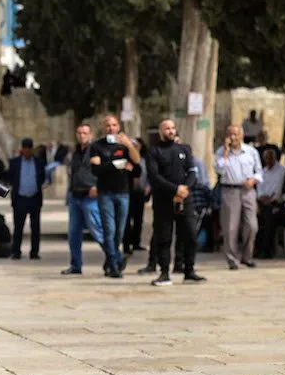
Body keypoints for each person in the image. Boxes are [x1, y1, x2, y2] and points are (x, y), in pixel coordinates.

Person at [146, 119, 202, 285]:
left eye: (172, 128)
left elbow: (192, 172)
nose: (170, 131)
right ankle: (164, 272)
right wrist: (174, 190)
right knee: (164, 237)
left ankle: (189, 270)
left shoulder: (184, 149)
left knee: (191, 235)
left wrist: (184, 190)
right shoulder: (154, 151)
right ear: (161, 131)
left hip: (185, 199)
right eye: (167, 129)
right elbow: (154, 176)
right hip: (164, 201)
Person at [89, 115, 141, 277]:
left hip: (123, 193)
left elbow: (137, 162)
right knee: (109, 230)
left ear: (118, 126)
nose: (111, 128)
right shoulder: (97, 146)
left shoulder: (124, 145)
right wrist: (115, 165)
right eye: (107, 125)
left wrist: (128, 145)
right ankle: (114, 265)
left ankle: (111, 261)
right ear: (103, 128)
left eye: (114, 125)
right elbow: (96, 169)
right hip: (105, 193)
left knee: (119, 231)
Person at [215, 124, 263, 270]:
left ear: (242, 135)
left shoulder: (251, 151)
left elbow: (259, 171)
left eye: (236, 134)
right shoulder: (221, 152)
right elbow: (219, 169)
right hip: (230, 190)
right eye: (230, 135)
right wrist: (226, 153)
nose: (233, 137)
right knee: (230, 227)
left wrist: (254, 179)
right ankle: (232, 259)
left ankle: (247, 256)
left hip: (248, 191)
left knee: (252, 225)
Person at [63, 122, 103, 275]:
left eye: (85, 133)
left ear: (91, 135)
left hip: (90, 196)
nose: (81, 136)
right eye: (79, 133)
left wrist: (97, 187)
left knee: (97, 230)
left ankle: (115, 258)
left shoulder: (96, 150)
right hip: (75, 196)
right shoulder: (75, 152)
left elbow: (103, 171)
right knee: (73, 233)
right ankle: (75, 265)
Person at [8, 138, 46, 260]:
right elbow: (10, 178)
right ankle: (16, 252)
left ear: (32, 149)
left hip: (34, 198)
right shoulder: (15, 162)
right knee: (18, 227)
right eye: (25, 148)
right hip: (20, 199)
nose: (27, 150)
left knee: (35, 228)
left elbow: (42, 178)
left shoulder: (39, 162)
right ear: (22, 149)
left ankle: (34, 252)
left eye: (29, 148)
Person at [255, 147, 285, 258]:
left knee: (269, 218)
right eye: (266, 158)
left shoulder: (282, 170)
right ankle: (256, 249)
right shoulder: (263, 172)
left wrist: (272, 199)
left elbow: (280, 188)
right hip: (263, 202)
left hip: (276, 203)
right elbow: (259, 188)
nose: (268, 160)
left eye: (270, 158)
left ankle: (266, 250)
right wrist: (262, 198)